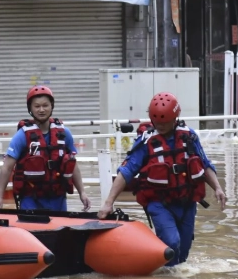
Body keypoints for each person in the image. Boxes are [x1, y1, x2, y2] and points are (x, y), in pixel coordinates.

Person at [96, 92, 227, 266]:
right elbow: (126, 172)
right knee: (172, 242)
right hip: (159, 203)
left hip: (187, 202)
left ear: (175, 118)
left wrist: (217, 187)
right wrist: (108, 202)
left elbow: (204, 164)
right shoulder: (146, 142)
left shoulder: (189, 136)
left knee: (183, 253)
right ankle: (164, 277)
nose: (161, 126)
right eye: (157, 122)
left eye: (165, 122)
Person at [0, 85, 91, 212]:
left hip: (58, 198)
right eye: (37, 106)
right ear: (30, 109)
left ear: (52, 106)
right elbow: (7, 167)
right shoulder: (22, 136)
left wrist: (82, 192)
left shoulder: (64, 134)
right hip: (30, 199)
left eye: (45, 105)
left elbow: (73, 165)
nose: (41, 110)